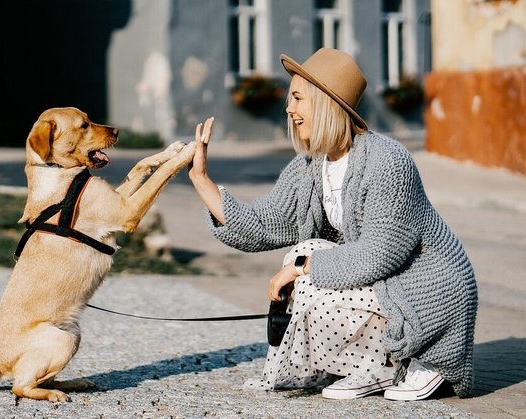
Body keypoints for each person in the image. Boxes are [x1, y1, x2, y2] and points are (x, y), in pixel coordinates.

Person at [187, 48, 477, 401]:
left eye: (297, 98)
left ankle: (408, 360)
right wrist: (202, 180)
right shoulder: (311, 165)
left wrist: (300, 270)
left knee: (305, 266)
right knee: (304, 252)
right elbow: (264, 224)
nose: (289, 109)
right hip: (385, 284)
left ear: (325, 103)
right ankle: (369, 366)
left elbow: (379, 254)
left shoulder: (388, 162)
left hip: (427, 290)